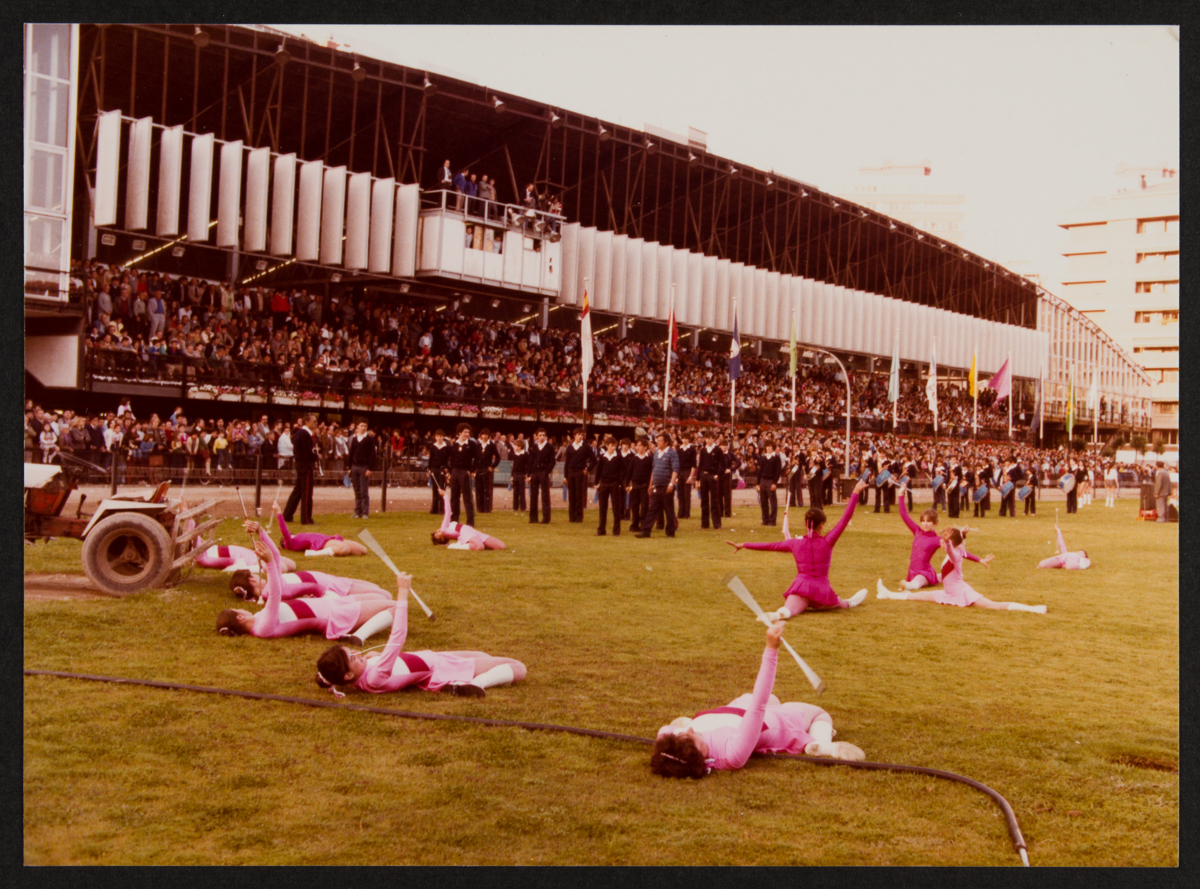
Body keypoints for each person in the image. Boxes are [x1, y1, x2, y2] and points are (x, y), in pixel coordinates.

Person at [650, 621, 864, 778]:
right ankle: (821, 744)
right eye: (691, 738)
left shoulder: (672, 740)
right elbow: (758, 705)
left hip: (734, 708)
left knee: (774, 699)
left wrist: (682, 737)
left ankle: (818, 740)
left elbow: (664, 731)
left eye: (684, 734)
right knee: (818, 713)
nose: (689, 731)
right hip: (765, 721)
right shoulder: (731, 755)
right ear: (702, 757)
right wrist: (771, 649)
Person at [315, 573, 527, 698]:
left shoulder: (361, 676)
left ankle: (459, 684)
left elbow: (333, 671)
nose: (357, 654)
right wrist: (402, 593)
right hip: (439, 667)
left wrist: (366, 660)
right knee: (518, 667)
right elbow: (397, 637)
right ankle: (474, 685)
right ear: (348, 675)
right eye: (353, 657)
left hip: (433, 659)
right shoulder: (375, 676)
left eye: (352, 651)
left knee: (482, 655)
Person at [214, 521, 396, 641]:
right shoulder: (262, 628)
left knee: (385, 597)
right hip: (335, 615)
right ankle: (359, 637)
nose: (241, 609)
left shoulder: (259, 619)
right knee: (396, 606)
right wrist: (268, 563)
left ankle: (359, 632)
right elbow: (275, 594)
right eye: (238, 610)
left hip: (332, 604)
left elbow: (275, 556)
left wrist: (260, 532)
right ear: (240, 617)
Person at [728, 478, 870, 617]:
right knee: (844, 604)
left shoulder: (795, 543)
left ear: (805, 524)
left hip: (802, 587)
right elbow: (845, 518)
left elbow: (770, 546)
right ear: (821, 525)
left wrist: (743, 544)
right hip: (822, 591)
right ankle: (850, 602)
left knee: (788, 609)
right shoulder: (827, 541)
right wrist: (856, 491)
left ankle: (781, 613)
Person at [876, 527, 1045, 612]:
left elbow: (953, 551)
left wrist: (948, 542)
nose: (940, 541)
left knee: (994, 606)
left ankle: (1034, 609)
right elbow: (965, 551)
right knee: (915, 597)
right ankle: (886, 594)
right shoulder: (959, 550)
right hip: (948, 593)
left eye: (944, 540)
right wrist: (978, 558)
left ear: (950, 542)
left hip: (961, 592)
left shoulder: (953, 553)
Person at [877, 483, 943, 593]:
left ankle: (909, 586)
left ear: (935, 523)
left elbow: (954, 545)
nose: (925, 524)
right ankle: (940, 576)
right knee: (940, 576)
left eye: (928, 521)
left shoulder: (937, 539)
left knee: (919, 581)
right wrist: (901, 494)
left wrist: (962, 534)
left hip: (924, 572)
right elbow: (904, 515)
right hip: (912, 571)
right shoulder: (917, 531)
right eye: (923, 521)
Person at [273, 502, 368, 556]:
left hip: (328, 538)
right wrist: (278, 512)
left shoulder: (295, 537)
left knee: (363, 550)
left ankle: (333, 548)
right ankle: (314, 554)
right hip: (320, 543)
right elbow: (284, 531)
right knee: (344, 549)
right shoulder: (288, 543)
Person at [431, 488, 506, 550]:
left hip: (469, 530)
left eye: (436, 531)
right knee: (480, 547)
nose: (437, 530)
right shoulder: (443, 529)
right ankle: (456, 546)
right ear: (442, 539)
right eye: (437, 534)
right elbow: (447, 512)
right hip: (465, 532)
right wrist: (445, 496)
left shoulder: (447, 530)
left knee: (501, 546)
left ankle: (466, 544)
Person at [635, 432, 679, 538]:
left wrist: (671, 484)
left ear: (666, 442)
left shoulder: (672, 453)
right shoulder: (655, 454)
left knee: (668, 510)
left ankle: (670, 532)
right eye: (657, 441)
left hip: (666, 485)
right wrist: (651, 484)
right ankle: (645, 531)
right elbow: (653, 470)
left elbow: (675, 469)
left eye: (660, 441)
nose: (657, 443)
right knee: (652, 509)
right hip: (656, 486)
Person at [282, 414, 316, 525]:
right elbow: (306, 453)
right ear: (306, 422)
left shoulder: (301, 433)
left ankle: (287, 515)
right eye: (314, 421)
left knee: (297, 491)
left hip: (301, 465)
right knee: (306, 493)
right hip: (305, 466)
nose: (315, 424)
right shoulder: (304, 434)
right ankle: (306, 519)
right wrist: (316, 456)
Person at [447, 423, 480, 526]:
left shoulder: (472, 444)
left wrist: (471, 470)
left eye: (468, 432)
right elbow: (451, 459)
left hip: (465, 472)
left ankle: (470, 521)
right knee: (454, 497)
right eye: (465, 432)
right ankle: (454, 520)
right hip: (455, 472)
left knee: (467, 497)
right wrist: (450, 472)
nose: (467, 434)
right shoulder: (455, 444)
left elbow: (477, 458)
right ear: (459, 433)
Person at [194, 542, 296, 574]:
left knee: (292, 564)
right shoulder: (203, 559)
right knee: (282, 567)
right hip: (246, 559)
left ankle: (264, 564)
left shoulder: (202, 547)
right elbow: (233, 561)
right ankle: (262, 566)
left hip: (246, 553)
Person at [594, 435, 624, 536]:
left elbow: (624, 471)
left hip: (614, 484)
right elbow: (598, 470)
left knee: (616, 508)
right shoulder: (603, 457)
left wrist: (619, 482)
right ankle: (601, 530)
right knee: (602, 508)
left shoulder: (618, 457)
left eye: (614, 446)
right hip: (603, 484)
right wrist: (596, 482)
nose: (613, 448)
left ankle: (616, 531)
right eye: (611, 445)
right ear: (607, 446)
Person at [563, 427, 593, 523]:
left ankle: (578, 517)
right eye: (579, 435)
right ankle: (572, 517)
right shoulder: (570, 447)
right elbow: (566, 463)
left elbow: (594, 460)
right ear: (574, 436)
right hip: (570, 472)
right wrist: (565, 476)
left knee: (579, 495)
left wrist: (588, 470)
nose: (580, 436)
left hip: (580, 472)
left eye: (582, 435)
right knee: (571, 495)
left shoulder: (586, 446)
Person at [347, 420, 376, 519]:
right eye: (361, 425)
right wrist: (348, 467)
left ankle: (365, 512)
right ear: (357, 427)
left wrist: (370, 468)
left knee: (364, 491)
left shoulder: (370, 440)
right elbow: (351, 453)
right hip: (354, 467)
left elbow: (372, 455)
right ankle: (357, 511)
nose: (363, 427)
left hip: (364, 467)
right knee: (357, 491)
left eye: (365, 426)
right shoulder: (354, 439)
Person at [697, 430, 723, 530]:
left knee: (714, 500)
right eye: (706, 438)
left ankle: (717, 524)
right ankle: (705, 524)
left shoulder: (718, 450)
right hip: (704, 476)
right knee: (704, 501)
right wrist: (698, 479)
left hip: (713, 476)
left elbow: (722, 464)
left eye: (710, 438)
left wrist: (717, 475)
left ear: (714, 439)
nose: (708, 440)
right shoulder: (703, 450)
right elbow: (700, 465)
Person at [528, 427, 555, 524]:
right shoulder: (534, 447)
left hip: (543, 472)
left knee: (545, 496)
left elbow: (552, 462)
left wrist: (546, 472)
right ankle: (533, 518)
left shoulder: (549, 447)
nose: (542, 437)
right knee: (533, 496)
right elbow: (531, 461)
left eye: (543, 435)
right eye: (540, 435)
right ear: (536, 436)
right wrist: (529, 474)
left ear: (546, 436)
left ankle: (546, 518)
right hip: (534, 473)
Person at [755, 438, 782, 526]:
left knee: (772, 501)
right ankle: (765, 519)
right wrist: (757, 483)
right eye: (767, 446)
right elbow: (760, 471)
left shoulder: (776, 458)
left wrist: (774, 483)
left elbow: (778, 471)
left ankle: (772, 520)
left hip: (771, 481)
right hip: (763, 480)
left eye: (770, 446)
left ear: (773, 447)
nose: (768, 448)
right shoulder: (763, 458)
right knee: (763, 501)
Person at [475, 428, 499, 514]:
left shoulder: (491, 445)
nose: (484, 436)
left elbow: (498, 457)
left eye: (486, 435)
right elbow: (475, 457)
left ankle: (487, 508)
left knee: (487, 489)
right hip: (479, 469)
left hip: (487, 469)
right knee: (479, 489)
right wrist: (473, 469)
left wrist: (492, 466)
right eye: (483, 434)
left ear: (488, 436)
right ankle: (479, 508)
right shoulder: (478, 445)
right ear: (481, 435)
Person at [427, 428, 449, 514]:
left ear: (443, 437)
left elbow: (448, 459)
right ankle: (434, 509)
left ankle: (442, 509)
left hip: (442, 469)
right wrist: (429, 469)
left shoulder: (446, 447)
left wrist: (447, 468)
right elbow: (431, 458)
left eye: (441, 436)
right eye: (437, 436)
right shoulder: (433, 447)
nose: (439, 438)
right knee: (435, 489)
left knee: (442, 488)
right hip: (434, 469)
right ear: (435, 437)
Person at [510, 437, 528, 512]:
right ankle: (515, 507)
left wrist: (525, 474)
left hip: (521, 475)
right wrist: (512, 475)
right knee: (515, 492)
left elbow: (528, 465)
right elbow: (513, 466)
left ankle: (523, 508)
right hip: (515, 474)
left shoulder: (525, 454)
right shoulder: (515, 455)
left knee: (521, 492)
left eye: (515, 446)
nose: (514, 447)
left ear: (519, 447)